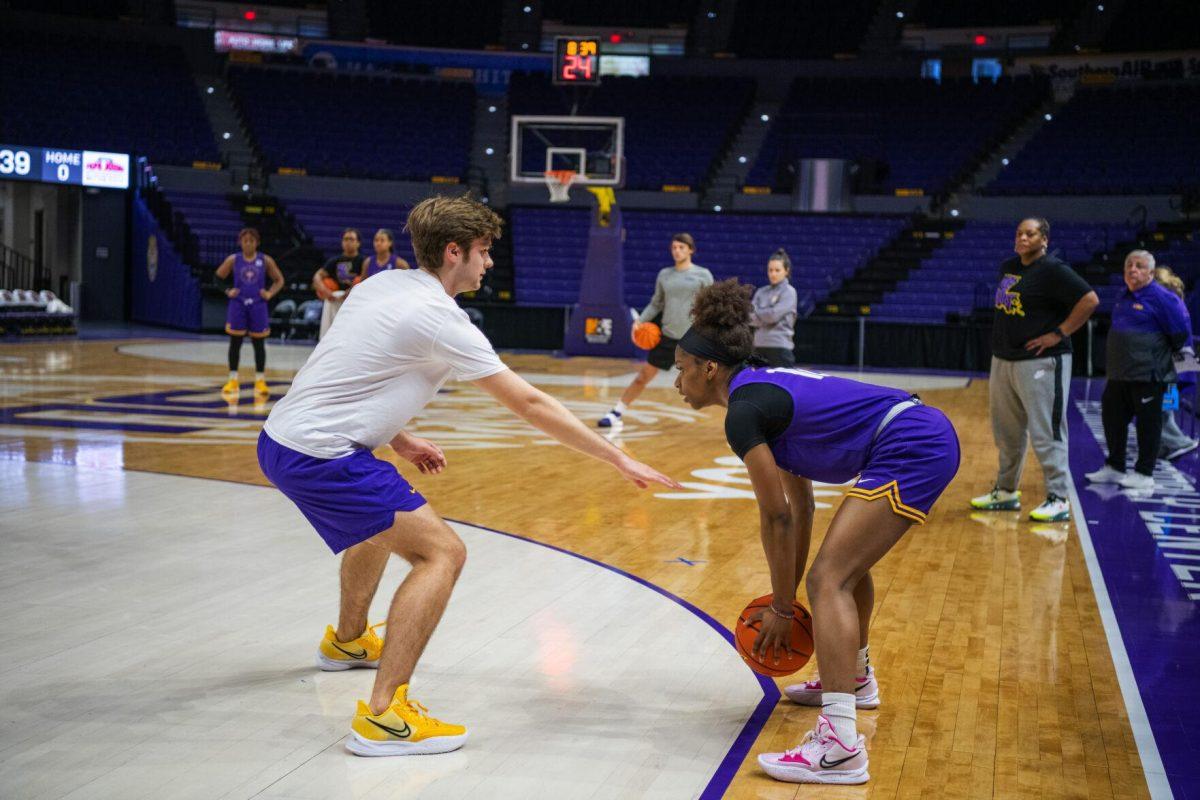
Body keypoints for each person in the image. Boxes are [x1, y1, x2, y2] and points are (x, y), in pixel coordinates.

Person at [258, 194, 679, 758]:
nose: (488, 264)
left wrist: (398, 438)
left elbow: (345, 368)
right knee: (441, 554)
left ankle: (349, 642)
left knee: (383, 521)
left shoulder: (382, 285)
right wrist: (617, 458)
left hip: (282, 438)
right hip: (322, 454)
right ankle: (384, 717)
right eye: (482, 252)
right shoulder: (441, 317)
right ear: (453, 252)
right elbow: (529, 404)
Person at [671, 279, 959, 785]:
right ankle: (856, 678)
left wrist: (785, 607)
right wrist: (783, 598)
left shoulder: (744, 413)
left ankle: (841, 746)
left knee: (828, 579)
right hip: (914, 436)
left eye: (681, 370)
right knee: (845, 569)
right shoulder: (762, 391)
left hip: (912, 443)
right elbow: (800, 507)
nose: (677, 382)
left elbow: (775, 515)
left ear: (709, 368)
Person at [971, 217, 1099, 522]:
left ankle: (1058, 498)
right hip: (1003, 359)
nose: (1022, 238)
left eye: (1030, 234)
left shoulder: (1054, 270)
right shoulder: (1008, 266)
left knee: (1047, 431)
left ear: (1044, 240)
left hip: (1041, 361)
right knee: (1008, 432)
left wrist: (1059, 332)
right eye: (1019, 233)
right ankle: (1005, 491)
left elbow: (1090, 300)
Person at [1084, 251, 1191, 491]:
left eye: (1140, 266)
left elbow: (1181, 335)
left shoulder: (1164, 298)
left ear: (1151, 273)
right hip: (1119, 376)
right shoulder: (1123, 297)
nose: (1133, 269)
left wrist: (1181, 376)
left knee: (1149, 424)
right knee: (1112, 419)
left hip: (1149, 376)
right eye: (1128, 265)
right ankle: (1115, 467)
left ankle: (1144, 473)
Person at [598, 233, 713, 428]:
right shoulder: (664, 274)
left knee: (714, 382)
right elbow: (656, 303)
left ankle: (740, 422)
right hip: (668, 337)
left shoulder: (703, 275)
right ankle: (617, 412)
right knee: (643, 376)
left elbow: (712, 305)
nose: (677, 251)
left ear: (690, 250)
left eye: (681, 247)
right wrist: (640, 321)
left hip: (694, 339)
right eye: (674, 247)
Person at [215, 227, 284, 398]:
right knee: (235, 342)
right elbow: (217, 278)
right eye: (245, 241)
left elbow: (279, 280)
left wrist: (269, 293)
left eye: (251, 241)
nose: (248, 243)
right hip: (238, 304)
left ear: (257, 243)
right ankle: (233, 379)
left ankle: (260, 380)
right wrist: (227, 290)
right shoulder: (233, 259)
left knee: (259, 343)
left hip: (258, 304)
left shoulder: (265, 260)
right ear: (240, 242)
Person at [1152, 266, 1198, 460]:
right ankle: (1163, 446)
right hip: (1181, 363)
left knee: (1163, 407)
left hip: (1174, 364)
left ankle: (1179, 441)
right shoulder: (1176, 302)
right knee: (1168, 405)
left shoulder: (1168, 305)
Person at [749, 248, 798, 367]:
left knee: (782, 385)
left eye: (777, 270)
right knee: (757, 385)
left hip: (780, 348)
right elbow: (749, 317)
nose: (773, 274)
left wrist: (759, 313)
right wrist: (767, 312)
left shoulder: (789, 292)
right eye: (770, 270)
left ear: (786, 271)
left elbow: (773, 316)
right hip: (758, 346)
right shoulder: (761, 292)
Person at [313, 228, 365, 339]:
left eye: (351, 239)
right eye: (345, 239)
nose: (348, 242)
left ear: (358, 243)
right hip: (335, 300)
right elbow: (317, 276)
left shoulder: (364, 261)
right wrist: (325, 291)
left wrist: (351, 291)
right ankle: (326, 338)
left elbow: (366, 280)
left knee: (358, 281)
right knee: (329, 287)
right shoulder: (334, 260)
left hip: (355, 301)